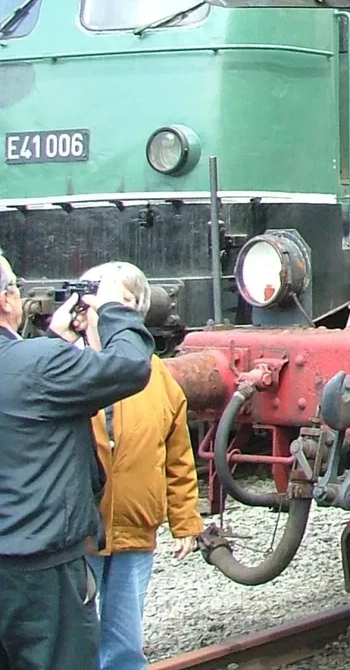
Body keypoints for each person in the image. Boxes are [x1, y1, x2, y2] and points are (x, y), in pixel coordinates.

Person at [0, 255, 154, 670]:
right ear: (6, 302)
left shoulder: (36, 361)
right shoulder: (38, 364)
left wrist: (54, 341)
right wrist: (112, 308)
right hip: (40, 572)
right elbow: (130, 366)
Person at [82, 263, 203, 670]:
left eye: (124, 303)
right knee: (76, 637)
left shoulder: (158, 378)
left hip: (136, 526)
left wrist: (185, 520)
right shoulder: (69, 366)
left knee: (124, 639)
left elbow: (178, 456)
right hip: (81, 531)